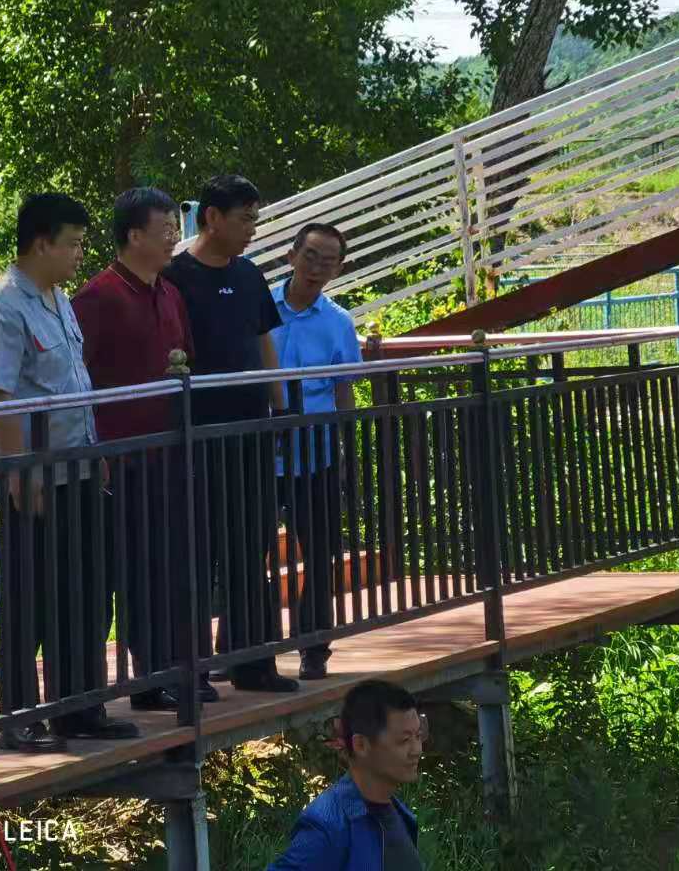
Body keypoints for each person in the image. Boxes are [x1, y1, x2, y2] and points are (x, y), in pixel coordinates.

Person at [0, 193, 138, 752]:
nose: (79, 254)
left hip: (80, 469)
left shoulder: (58, 299)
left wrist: (96, 451)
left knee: (85, 593)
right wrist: (22, 475)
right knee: (31, 600)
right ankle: (19, 717)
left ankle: (79, 708)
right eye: (73, 244)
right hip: (37, 479)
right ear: (41, 244)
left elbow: (72, 384)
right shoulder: (2, 307)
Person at [71, 187, 220, 713]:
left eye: (175, 229)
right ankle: (139, 679)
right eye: (165, 230)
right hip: (120, 460)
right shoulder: (97, 297)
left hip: (170, 455)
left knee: (169, 566)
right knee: (129, 570)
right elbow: (77, 381)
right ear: (134, 236)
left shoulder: (170, 293)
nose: (174, 238)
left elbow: (186, 362)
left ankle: (170, 671)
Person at [163, 174, 295, 693]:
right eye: (245, 219)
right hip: (196, 437)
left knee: (252, 545)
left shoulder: (249, 274)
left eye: (255, 219)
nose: (252, 229)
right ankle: (191, 672)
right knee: (198, 552)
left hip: (251, 431)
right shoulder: (175, 276)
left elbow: (264, 341)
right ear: (212, 217)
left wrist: (280, 408)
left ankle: (253, 662)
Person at [271, 224, 361, 681]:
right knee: (243, 550)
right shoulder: (259, 307)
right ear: (291, 256)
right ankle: (242, 647)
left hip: (316, 453)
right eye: (310, 256)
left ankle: (314, 647)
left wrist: (345, 450)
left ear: (338, 269)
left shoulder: (339, 322)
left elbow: (344, 390)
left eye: (328, 261)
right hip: (258, 452)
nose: (317, 268)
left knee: (320, 552)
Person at [266, 680, 425, 871]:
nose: (417, 750)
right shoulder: (328, 825)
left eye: (418, 736)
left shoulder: (400, 814)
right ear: (361, 745)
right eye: (404, 740)